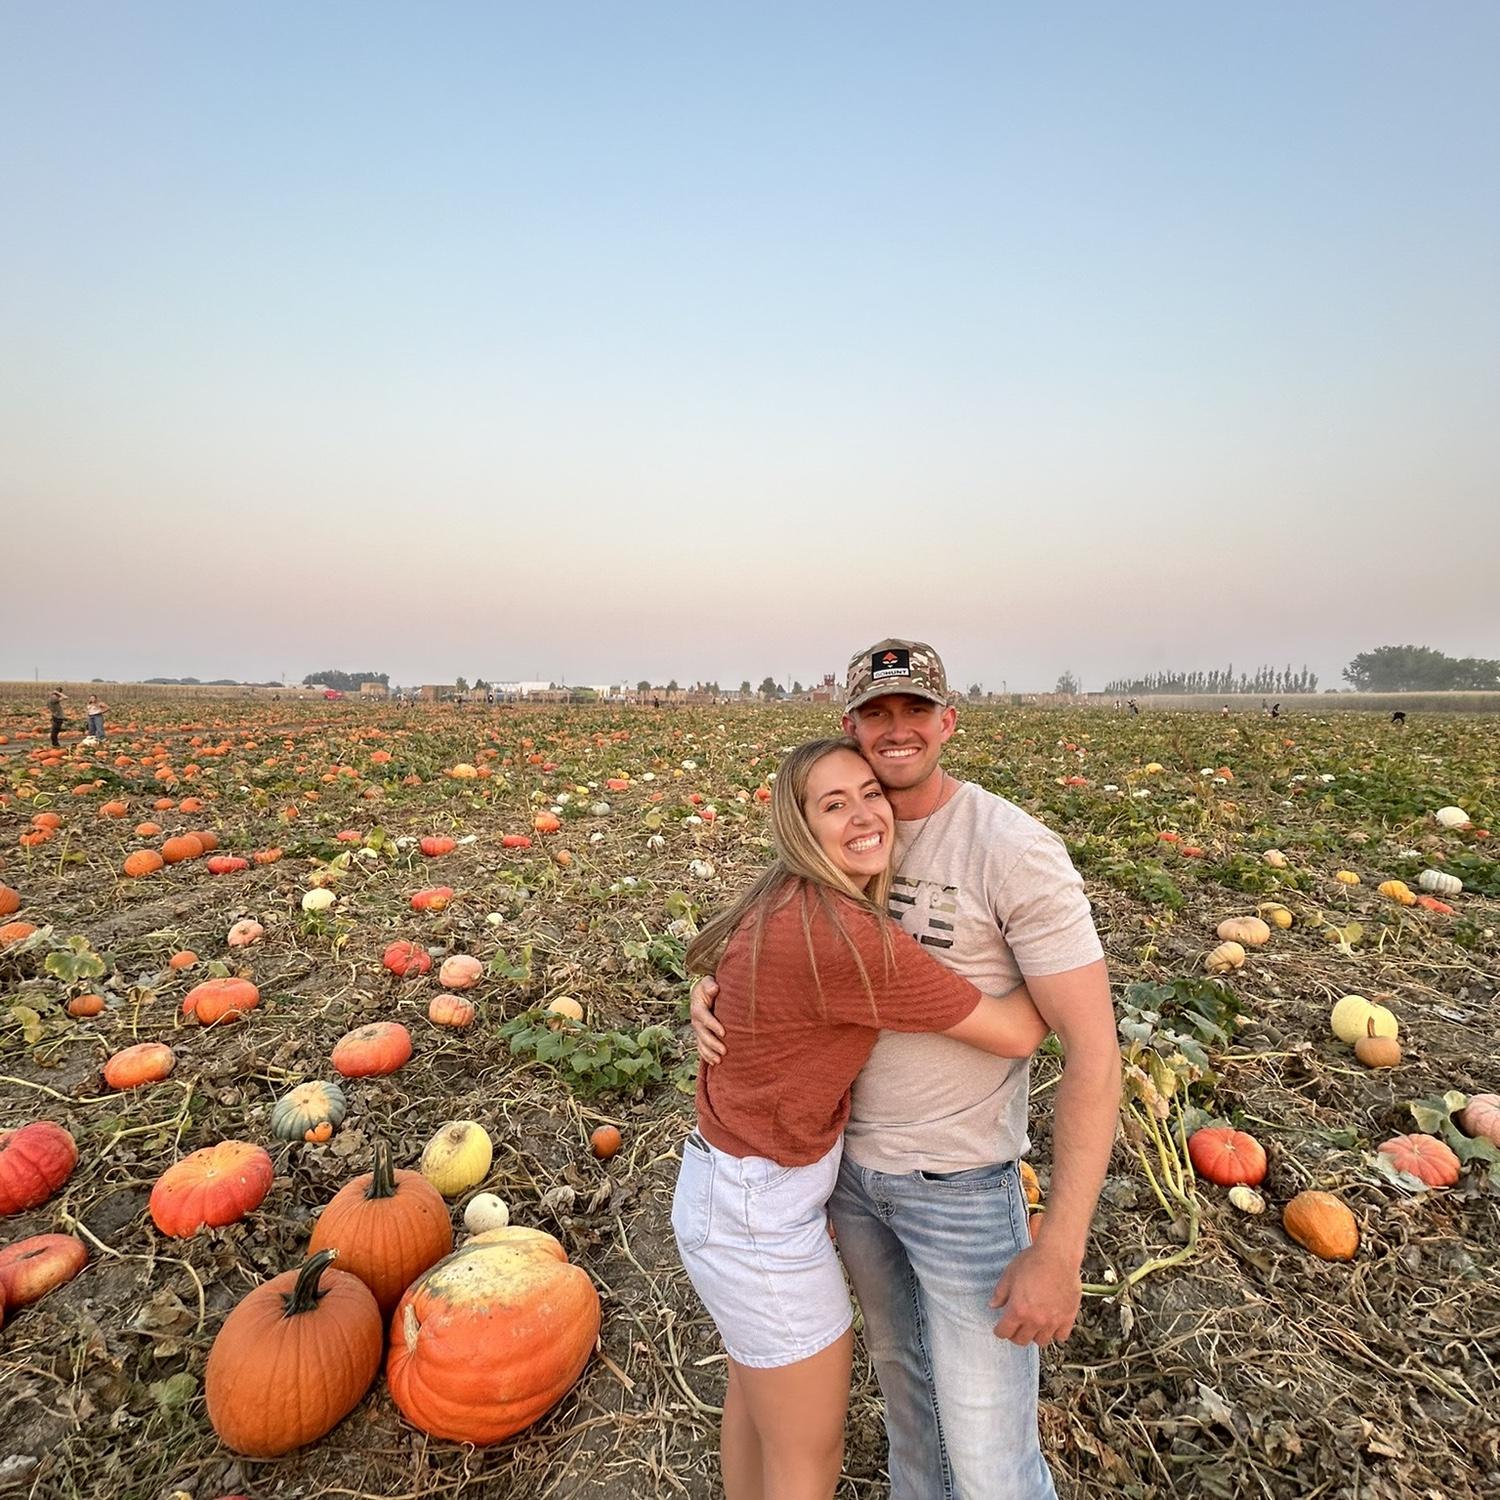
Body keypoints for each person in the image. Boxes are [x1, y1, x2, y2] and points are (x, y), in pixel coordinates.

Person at [693, 638, 1118, 1500]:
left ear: (947, 721)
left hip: (958, 1188)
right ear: (849, 726)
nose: (897, 730)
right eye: (877, 714)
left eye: (915, 710)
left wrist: (1060, 1248)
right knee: (910, 1418)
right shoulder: (837, 843)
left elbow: (1095, 1053)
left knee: (993, 1458)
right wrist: (711, 996)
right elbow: (761, 944)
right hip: (843, 1179)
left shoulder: (1009, 846)